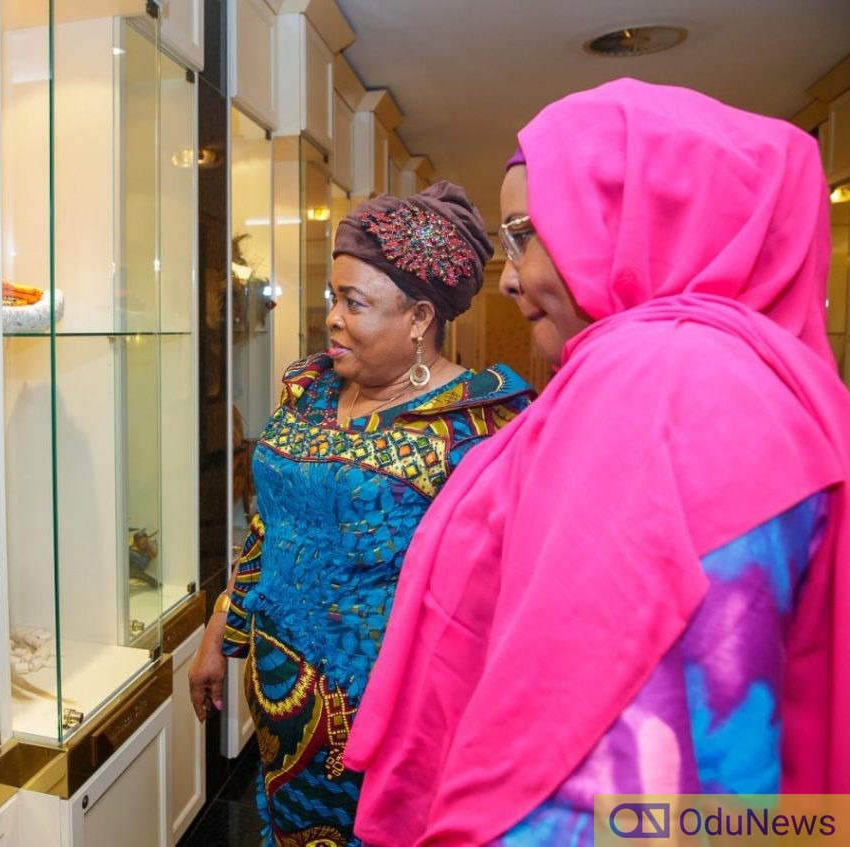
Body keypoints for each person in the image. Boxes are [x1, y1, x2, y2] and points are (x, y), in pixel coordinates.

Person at [344, 78, 850, 847]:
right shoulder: (721, 372)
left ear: (633, 219)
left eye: (525, 233)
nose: (508, 277)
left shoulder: (664, 380)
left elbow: (625, 773)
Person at [188, 180, 535, 846]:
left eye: (355, 303)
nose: (333, 319)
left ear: (419, 318)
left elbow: (507, 600)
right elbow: (271, 520)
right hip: (281, 712)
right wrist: (221, 625)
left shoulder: (479, 429)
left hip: (391, 733)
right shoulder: (312, 388)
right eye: (332, 298)